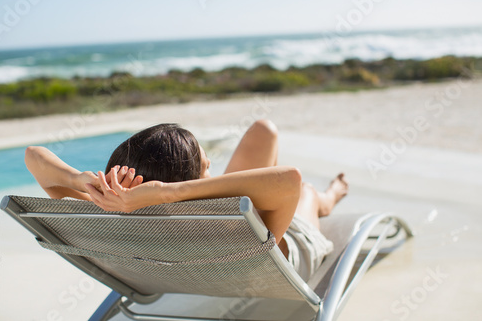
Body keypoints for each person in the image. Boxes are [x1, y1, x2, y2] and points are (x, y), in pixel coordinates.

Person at [25, 120, 348, 280]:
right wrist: (168, 192)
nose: (211, 174)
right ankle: (328, 199)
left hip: (181, 255)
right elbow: (289, 179)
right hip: (288, 255)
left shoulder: (102, 217)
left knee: (263, 130)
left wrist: (79, 179)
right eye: (206, 169)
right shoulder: (227, 228)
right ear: (184, 184)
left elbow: (33, 155)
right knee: (305, 191)